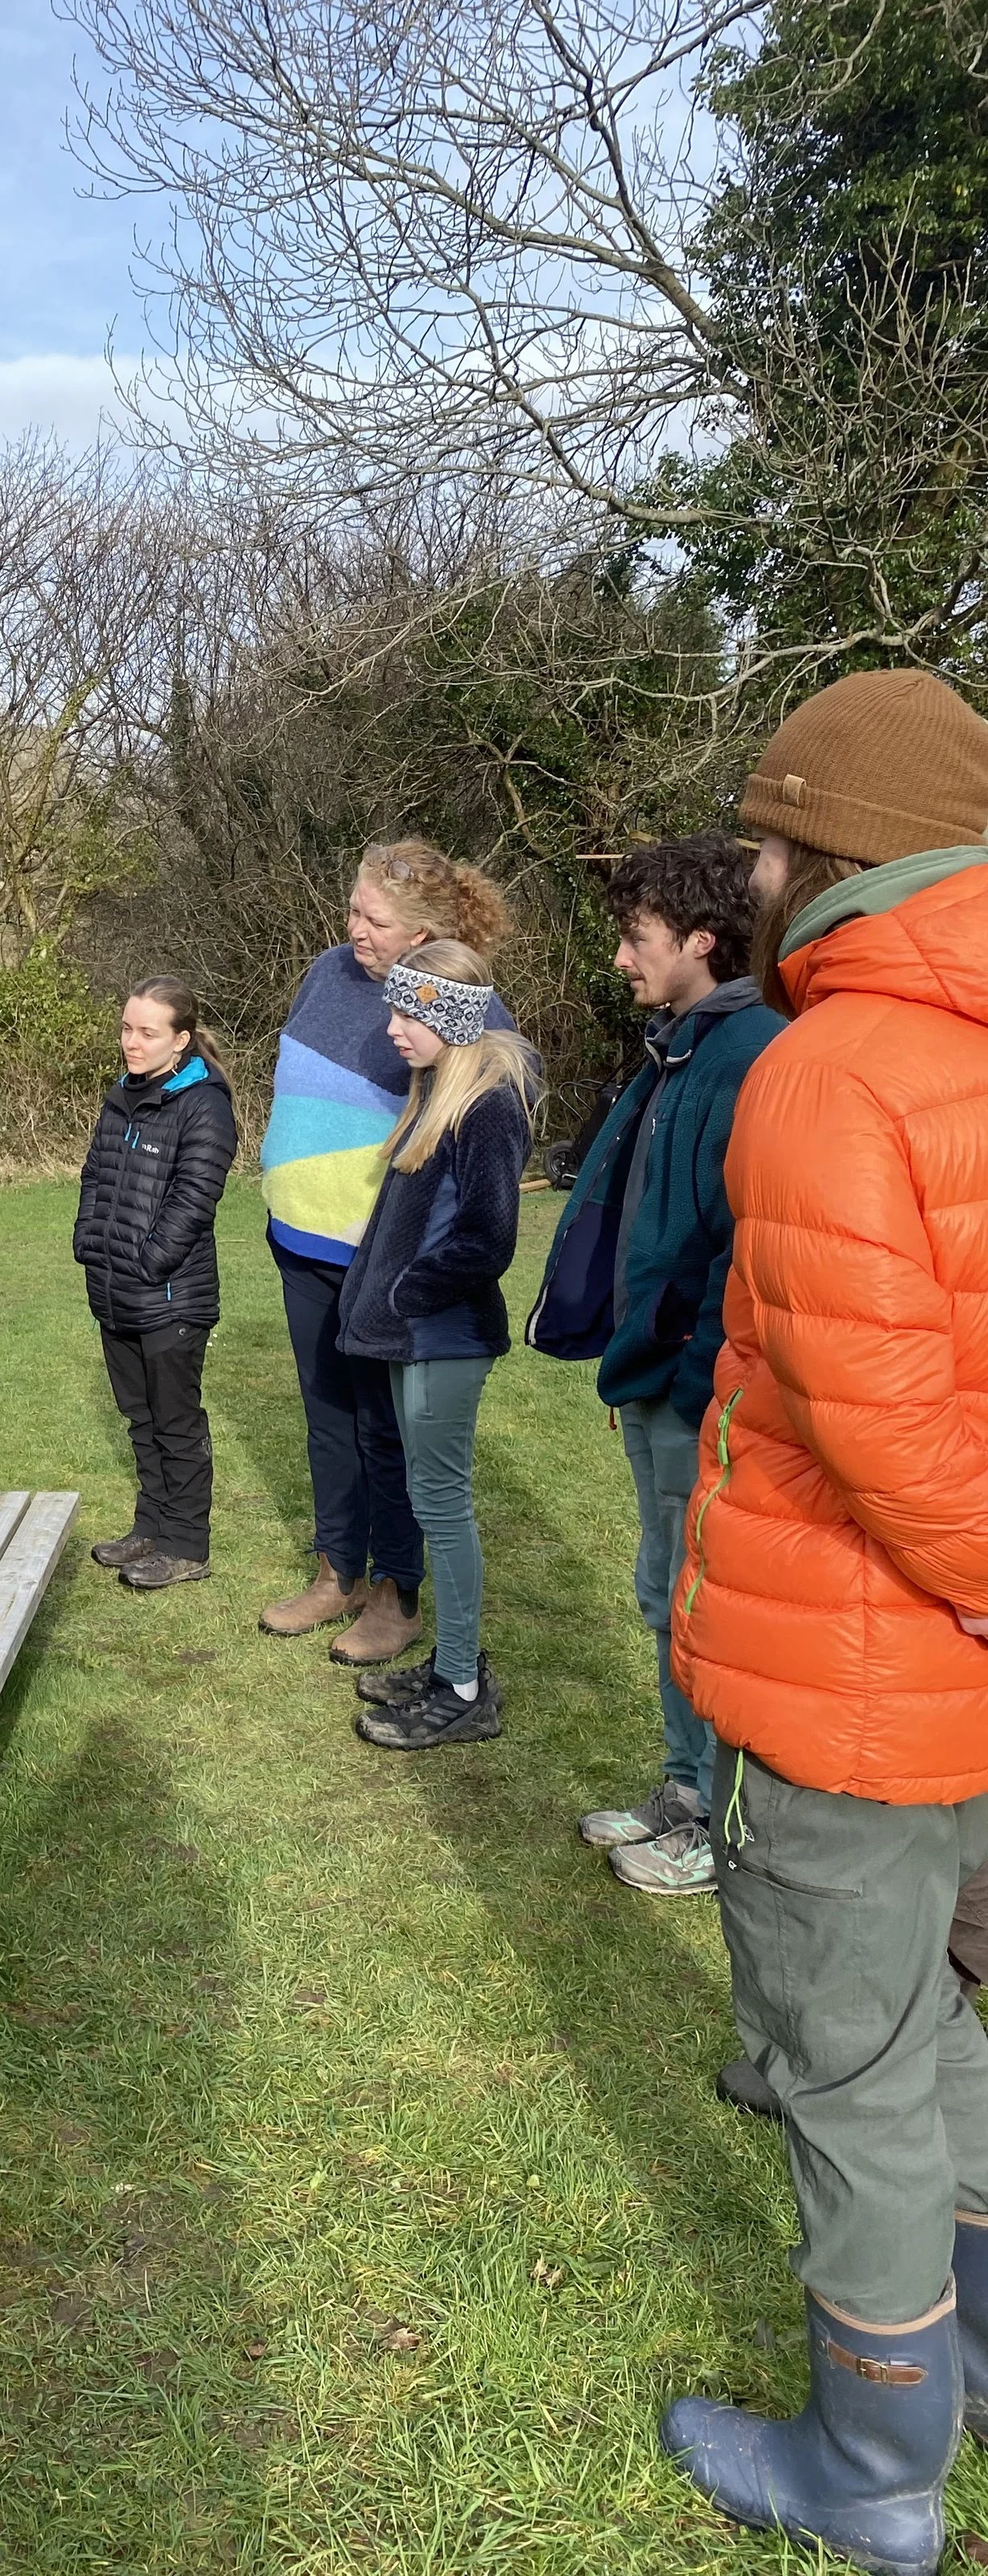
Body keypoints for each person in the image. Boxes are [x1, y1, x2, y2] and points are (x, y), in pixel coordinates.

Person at [655, 669, 988, 2576]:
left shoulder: (834, 1070)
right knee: (937, 2035)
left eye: (773, 843)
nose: (755, 875)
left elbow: (895, 1440)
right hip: (946, 1680)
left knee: (849, 2073)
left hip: (861, 1682)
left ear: (844, 854)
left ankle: (870, 2475)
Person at [529, 837, 784, 1897]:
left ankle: (715, 1827)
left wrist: (686, 1382)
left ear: (699, 940)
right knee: (658, 1592)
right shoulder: (676, 1048)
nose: (622, 960)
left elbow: (742, 1243)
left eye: (636, 940)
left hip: (696, 1392)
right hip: (653, 1380)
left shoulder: (754, 1053)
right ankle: (682, 1787)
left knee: (697, 1605)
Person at [257, 842, 515, 1667]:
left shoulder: (460, 1007)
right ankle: (337, 1569)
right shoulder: (328, 971)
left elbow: (480, 1108)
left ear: (423, 935)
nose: (353, 927)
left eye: (374, 918)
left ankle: (396, 1593)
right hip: (300, 1241)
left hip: (379, 1264)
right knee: (326, 1418)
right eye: (352, 908)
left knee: (385, 1431)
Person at [334, 941, 537, 1750]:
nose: (390, 1029)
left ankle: (460, 1685)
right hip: (415, 1337)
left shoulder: (487, 1106)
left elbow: (488, 1240)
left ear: (448, 1017)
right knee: (429, 1500)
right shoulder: (434, 1097)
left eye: (405, 1012)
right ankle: (452, 1664)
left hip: (443, 1340)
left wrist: (404, 1294)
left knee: (442, 1510)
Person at [73, 977, 238, 1590]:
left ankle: (187, 1543)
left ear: (181, 1040)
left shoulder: (204, 1103)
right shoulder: (120, 1095)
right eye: (126, 1028)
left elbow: (196, 1198)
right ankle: (151, 1526)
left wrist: (149, 1261)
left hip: (169, 1295)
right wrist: (88, 1243)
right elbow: (95, 1175)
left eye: (147, 1032)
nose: (131, 1042)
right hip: (114, 1291)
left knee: (176, 1422)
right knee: (140, 1418)